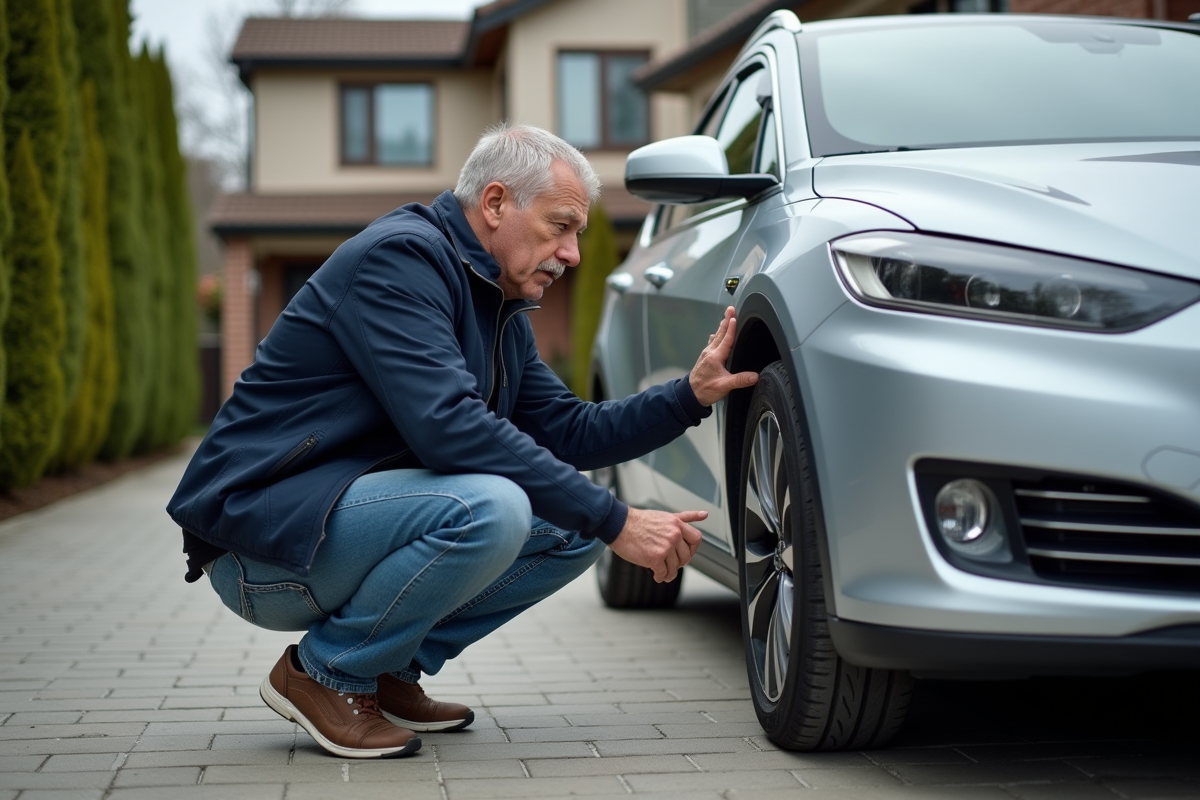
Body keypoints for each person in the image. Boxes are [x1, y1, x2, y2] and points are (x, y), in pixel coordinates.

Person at [166, 123, 759, 760]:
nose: (574, 254)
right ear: (496, 202)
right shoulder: (398, 260)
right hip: (260, 545)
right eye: (560, 226)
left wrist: (687, 397)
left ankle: (384, 670)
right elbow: (449, 427)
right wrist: (622, 521)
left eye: (577, 234)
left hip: (328, 526)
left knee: (574, 525)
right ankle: (325, 673)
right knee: (492, 507)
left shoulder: (497, 307)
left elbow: (568, 432)